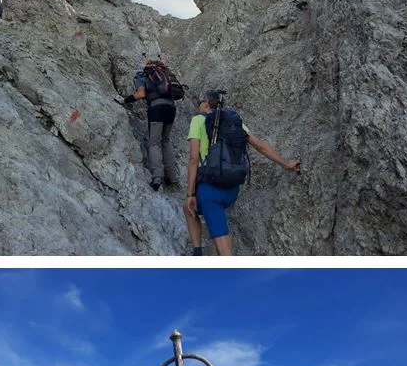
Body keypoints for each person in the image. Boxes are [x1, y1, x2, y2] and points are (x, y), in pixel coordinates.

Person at [184, 89, 300, 256]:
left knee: (220, 238)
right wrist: (285, 163)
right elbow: (259, 146)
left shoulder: (198, 120)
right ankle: (197, 252)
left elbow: (193, 159)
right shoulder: (234, 121)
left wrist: (190, 194)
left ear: (207, 104)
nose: (198, 105)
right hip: (232, 188)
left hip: (210, 190)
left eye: (200, 102)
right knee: (188, 209)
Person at [124, 61, 180, 192]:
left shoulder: (141, 76)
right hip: (171, 109)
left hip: (156, 109)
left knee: (154, 143)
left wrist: (125, 100)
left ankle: (157, 178)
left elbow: (141, 94)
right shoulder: (165, 75)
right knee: (165, 141)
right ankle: (172, 177)